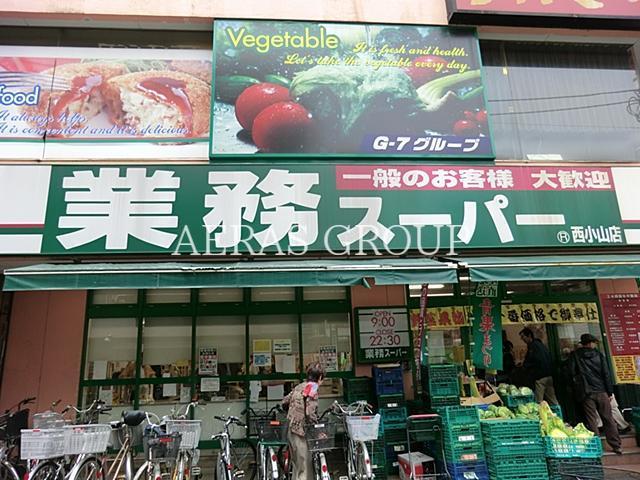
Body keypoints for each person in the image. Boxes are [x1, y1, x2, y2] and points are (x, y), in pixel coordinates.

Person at [567, 333, 622, 454]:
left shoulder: (575, 355)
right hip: (601, 390)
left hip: (586, 392)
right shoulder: (599, 355)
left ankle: (596, 446)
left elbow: (571, 373)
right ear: (591, 343)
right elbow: (606, 374)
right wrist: (609, 391)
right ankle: (616, 445)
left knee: (591, 419)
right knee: (608, 418)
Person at [282, 362, 326, 480]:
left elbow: (285, 402)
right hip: (301, 432)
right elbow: (310, 413)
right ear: (320, 377)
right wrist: (317, 431)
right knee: (304, 470)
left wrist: (293, 411)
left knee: (297, 467)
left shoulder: (299, 386)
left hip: (291, 430)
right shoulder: (313, 389)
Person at [520, 327, 559, 404]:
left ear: (529, 336)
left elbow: (533, 360)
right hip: (549, 375)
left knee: (538, 400)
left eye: (523, 337)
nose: (522, 339)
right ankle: (557, 410)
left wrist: (525, 366)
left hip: (540, 377)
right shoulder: (540, 345)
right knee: (552, 399)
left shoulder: (533, 347)